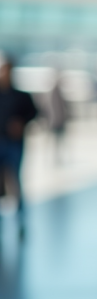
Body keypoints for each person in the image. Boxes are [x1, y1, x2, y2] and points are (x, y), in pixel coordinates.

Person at [0, 57, 38, 238]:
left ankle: (20, 220)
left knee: (15, 182)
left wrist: (21, 123)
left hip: (14, 144)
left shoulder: (21, 95)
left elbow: (34, 113)